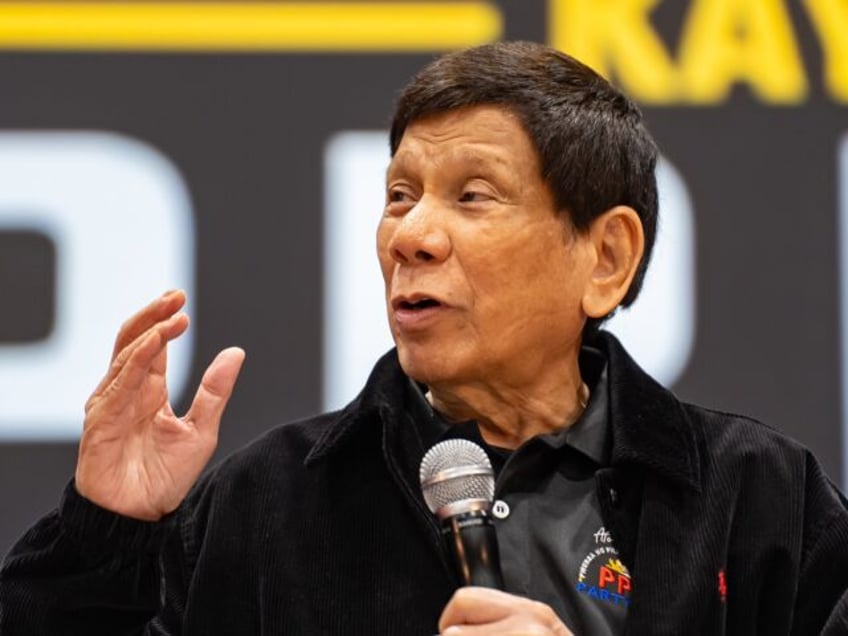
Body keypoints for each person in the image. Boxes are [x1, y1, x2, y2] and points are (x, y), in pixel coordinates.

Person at [1, 40, 847, 635]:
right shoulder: (265, 506)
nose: (411, 236)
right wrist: (102, 536)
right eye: (400, 195)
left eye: (473, 196)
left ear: (606, 256)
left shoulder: (760, 498)